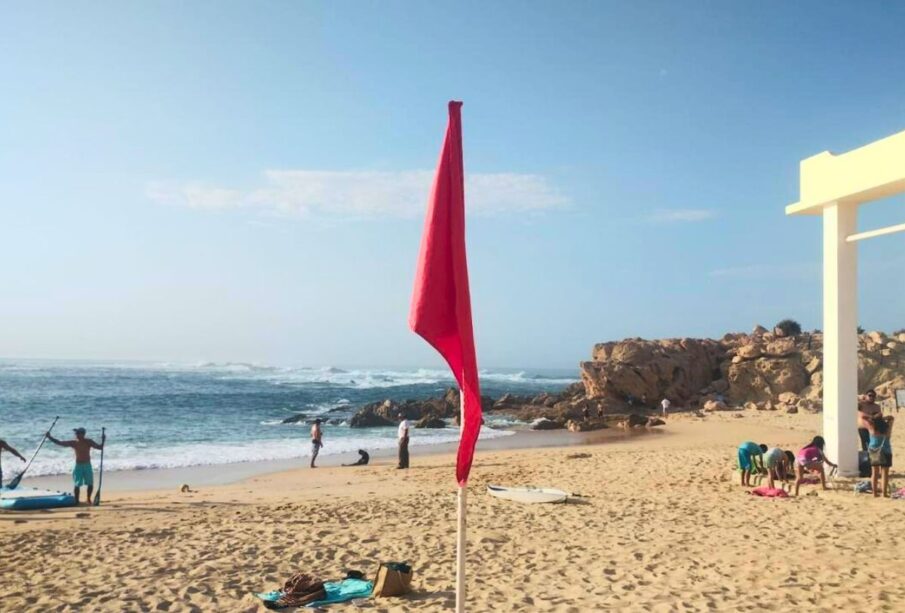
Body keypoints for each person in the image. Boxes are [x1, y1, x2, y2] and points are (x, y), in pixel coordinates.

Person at [47, 428, 105, 504]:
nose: (76, 435)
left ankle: (88, 499)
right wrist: (50, 437)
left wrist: (103, 440)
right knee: (77, 484)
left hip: (87, 465)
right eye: (76, 433)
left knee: (90, 483)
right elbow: (60, 443)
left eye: (78, 433)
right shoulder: (74, 443)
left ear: (83, 434)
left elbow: (100, 447)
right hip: (78, 465)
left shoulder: (88, 442)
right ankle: (77, 501)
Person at [867, 414, 895, 498]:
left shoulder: (872, 428)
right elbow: (892, 418)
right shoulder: (887, 428)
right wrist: (884, 418)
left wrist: (876, 418)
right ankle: (884, 493)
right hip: (886, 450)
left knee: (874, 473)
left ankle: (874, 493)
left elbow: (868, 419)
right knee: (885, 473)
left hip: (874, 451)